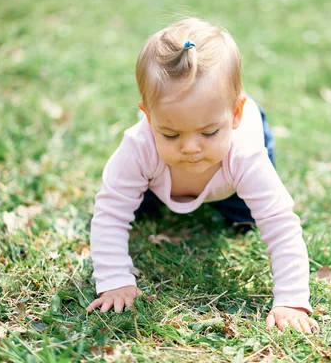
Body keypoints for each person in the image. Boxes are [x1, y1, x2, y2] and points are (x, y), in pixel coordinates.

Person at [86, 18, 319, 333]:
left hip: (229, 182)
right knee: (137, 210)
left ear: (234, 115)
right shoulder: (138, 148)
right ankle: (169, 178)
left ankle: (221, 167)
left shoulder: (246, 153)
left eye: (209, 132)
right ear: (148, 116)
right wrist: (114, 281)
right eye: (170, 134)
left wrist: (291, 300)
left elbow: (279, 223)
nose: (190, 148)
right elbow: (110, 214)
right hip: (158, 180)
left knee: (246, 221)